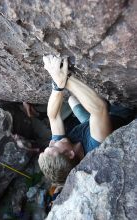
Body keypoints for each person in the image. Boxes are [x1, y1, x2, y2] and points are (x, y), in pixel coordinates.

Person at [38, 55, 113, 185]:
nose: (51, 142)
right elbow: (100, 109)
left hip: (88, 123)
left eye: (47, 146)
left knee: (72, 99)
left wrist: (57, 86)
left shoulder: (60, 146)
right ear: (70, 154)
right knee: (100, 106)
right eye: (53, 146)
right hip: (114, 116)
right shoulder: (95, 148)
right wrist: (65, 77)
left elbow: (53, 116)